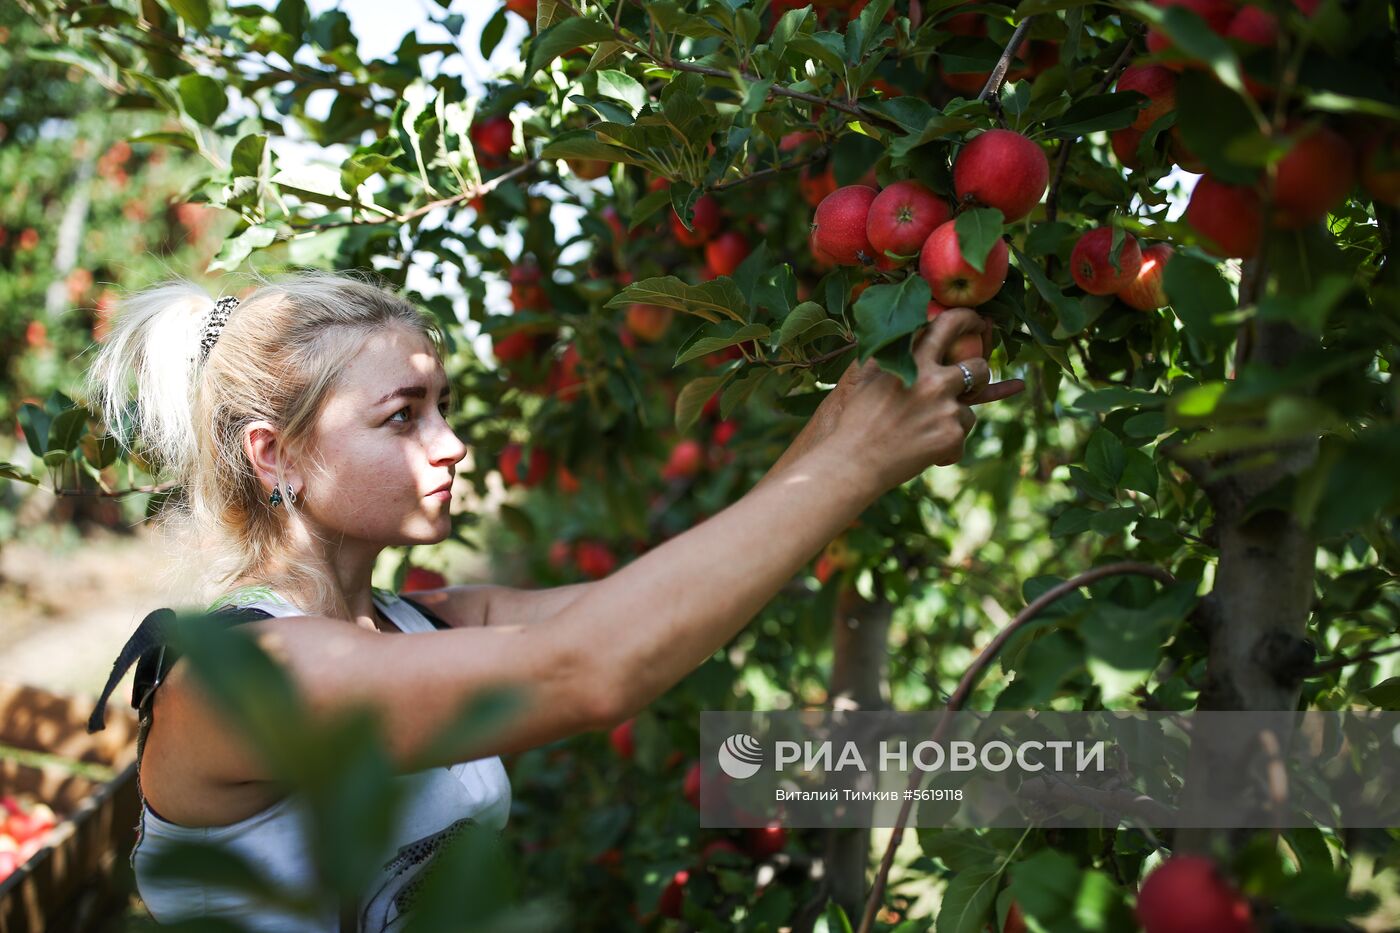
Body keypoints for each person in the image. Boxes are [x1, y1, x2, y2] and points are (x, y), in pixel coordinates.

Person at [80, 269, 1023, 930]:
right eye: (404, 415)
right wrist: (856, 459)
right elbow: (591, 669)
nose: (452, 444)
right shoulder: (243, 675)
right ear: (273, 454)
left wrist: (856, 410)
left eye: (443, 405)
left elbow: (647, 611)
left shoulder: (425, 622)